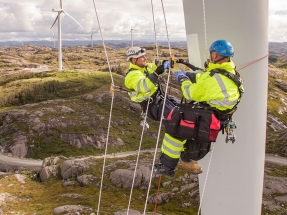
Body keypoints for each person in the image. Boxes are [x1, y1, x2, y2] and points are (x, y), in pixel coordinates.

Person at [150, 39, 244, 179]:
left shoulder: (216, 79)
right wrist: (191, 75)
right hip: (219, 115)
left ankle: (167, 166)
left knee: (175, 125)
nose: (211, 56)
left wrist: (183, 79)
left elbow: (189, 93)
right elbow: (206, 78)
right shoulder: (229, 72)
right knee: (185, 130)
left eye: (212, 53)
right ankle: (183, 158)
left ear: (216, 55)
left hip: (210, 116)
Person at [124, 46, 179, 122]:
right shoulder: (132, 75)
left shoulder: (146, 67)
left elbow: (157, 66)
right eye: (142, 57)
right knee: (179, 117)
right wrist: (156, 74)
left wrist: (165, 63)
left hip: (161, 98)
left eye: (145, 56)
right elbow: (144, 86)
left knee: (184, 108)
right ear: (134, 60)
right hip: (153, 106)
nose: (145, 58)